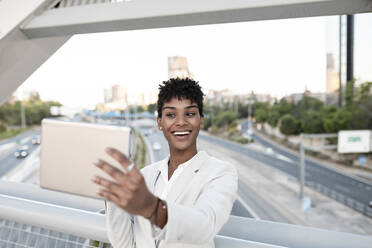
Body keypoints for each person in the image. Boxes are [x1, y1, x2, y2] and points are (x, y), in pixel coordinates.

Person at [92, 77, 238, 248]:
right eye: (170, 115)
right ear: (160, 122)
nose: (181, 122)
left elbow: (204, 227)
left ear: (201, 120)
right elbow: (127, 244)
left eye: (190, 113)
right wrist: (114, 194)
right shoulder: (145, 175)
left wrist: (152, 208)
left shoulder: (221, 172)